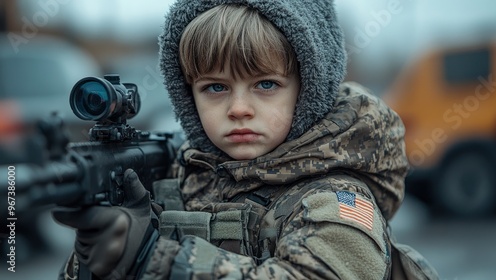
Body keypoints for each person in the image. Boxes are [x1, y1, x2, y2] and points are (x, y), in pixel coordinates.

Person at [54, 0, 439, 279]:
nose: (239, 108)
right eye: (215, 87)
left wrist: (152, 257)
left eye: (266, 84)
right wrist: (102, 248)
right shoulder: (182, 176)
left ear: (308, 90)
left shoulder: (337, 196)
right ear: (188, 96)